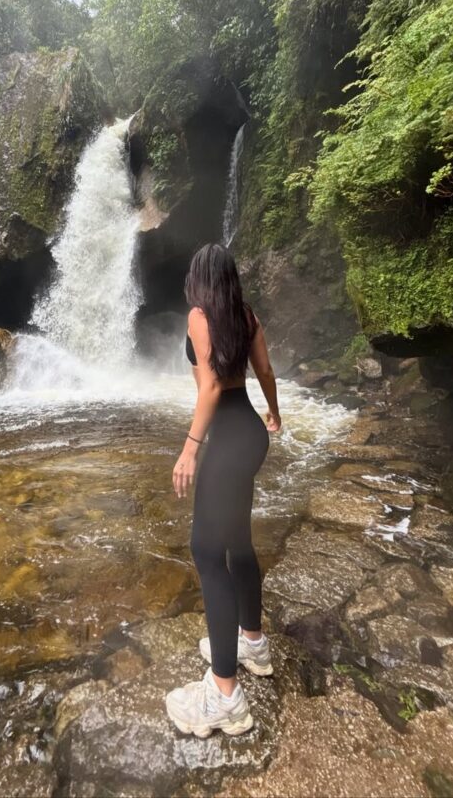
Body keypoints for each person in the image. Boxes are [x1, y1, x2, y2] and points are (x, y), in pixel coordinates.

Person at [165, 243, 281, 738]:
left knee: (207, 552)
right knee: (236, 543)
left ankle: (224, 696)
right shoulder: (245, 314)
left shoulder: (199, 315)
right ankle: (251, 642)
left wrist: (191, 448)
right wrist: (275, 413)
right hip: (250, 433)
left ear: (198, 278)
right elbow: (266, 373)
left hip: (226, 441)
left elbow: (210, 387)